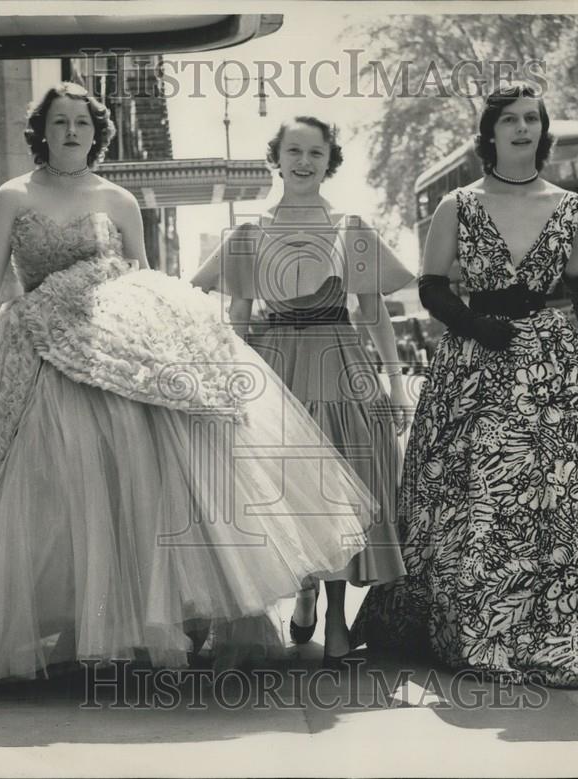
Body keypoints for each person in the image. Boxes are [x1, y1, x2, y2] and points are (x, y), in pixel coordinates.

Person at [0, 83, 378, 696]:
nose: (71, 131)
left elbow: (146, 276)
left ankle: (158, 619)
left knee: (151, 475)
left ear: (96, 132)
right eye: (59, 121)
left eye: (81, 121)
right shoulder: (13, 195)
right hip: (37, 351)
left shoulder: (119, 198)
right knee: (47, 487)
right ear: (42, 132)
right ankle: (55, 626)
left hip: (122, 344)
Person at [349, 85, 578, 688]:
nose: (521, 128)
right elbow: (433, 286)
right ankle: (480, 622)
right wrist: (474, 324)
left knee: (574, 498)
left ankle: (567, 626)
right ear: (489, 134)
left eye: (531, 119)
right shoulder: (458, 205)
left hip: (549, 361)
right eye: (509, 120)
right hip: (473, 362)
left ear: (542, 131)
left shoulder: (567, 206)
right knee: (475, 497)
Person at [191, 116, 413, 667]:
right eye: (294, 150)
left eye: (316, 152)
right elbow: (237, 316)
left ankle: (335, 615)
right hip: (273, 375)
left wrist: (395, 383)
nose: (304, 161)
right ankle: (303, 590)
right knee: (277, 490)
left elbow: (375, 312)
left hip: (339, 369)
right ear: (278, 157)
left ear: (329, 161)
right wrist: (227, 385)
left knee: (339, 489)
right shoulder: (249, 233)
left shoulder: (351, 227)